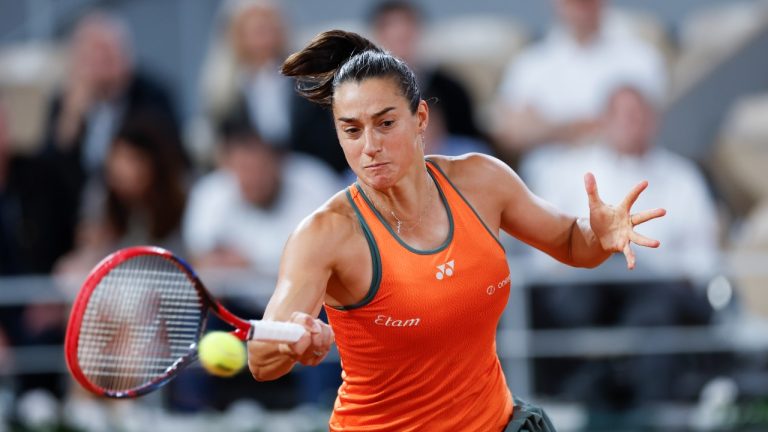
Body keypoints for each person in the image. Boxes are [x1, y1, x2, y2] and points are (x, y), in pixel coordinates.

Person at [246, 30, 665, 431]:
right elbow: (260, 358)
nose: (369, 145)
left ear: (420, 118)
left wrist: (600, 235)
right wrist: (290, 343)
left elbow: (572, 243)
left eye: (386, 123)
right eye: (351, 129)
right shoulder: (324, 234)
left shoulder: (482, 181)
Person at [494, 0, 666, 168]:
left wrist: (545, 127)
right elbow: (510, 135)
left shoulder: (642, 59)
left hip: (626, 181)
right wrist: (576, 128)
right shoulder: (530, 64)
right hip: (548, 187)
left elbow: (647, 128)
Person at [198, 0, 343, 172]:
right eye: (253, 29)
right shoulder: (226, 90)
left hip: (307, 171)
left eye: (267, 25)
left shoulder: (311, 77)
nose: (261, 34)